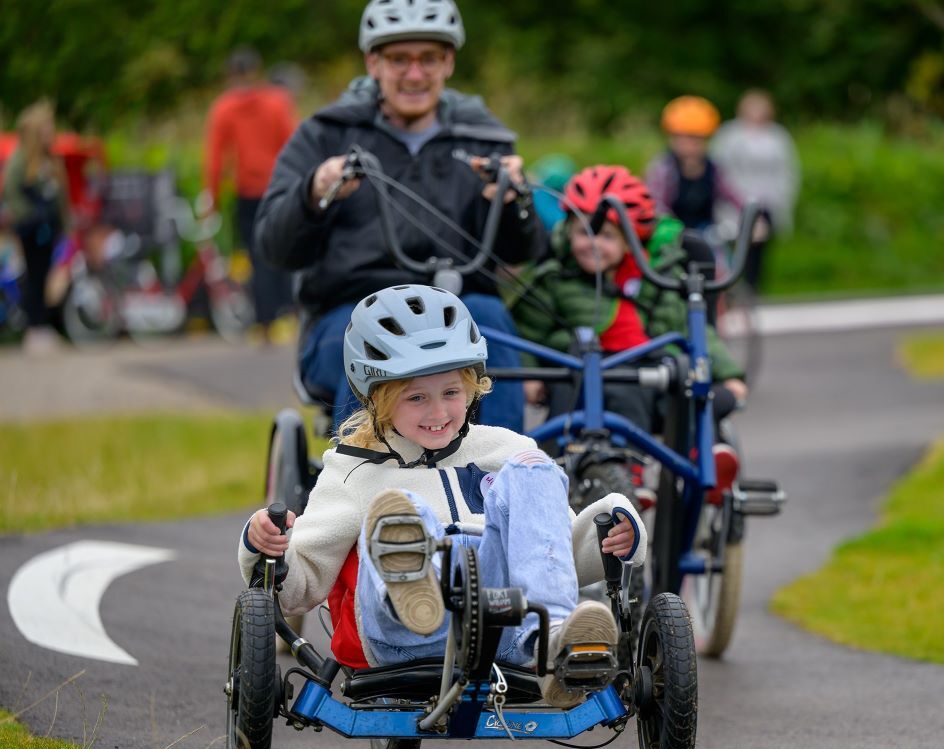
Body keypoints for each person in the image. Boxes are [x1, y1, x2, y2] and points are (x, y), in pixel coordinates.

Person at [237, 285, 645, 707]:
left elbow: (548, 554)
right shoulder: (356, 469)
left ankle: (554, 642)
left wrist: (609, 535)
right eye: (416, 398)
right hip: (402, 640)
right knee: (401, 512)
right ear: (378, 398)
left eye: (450, 393)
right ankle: (415, 590)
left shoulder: (502, 449)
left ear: (471, 387)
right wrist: (266, 547)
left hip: (509, 633)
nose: (438, 413)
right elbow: (298, 587)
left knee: (535, 467)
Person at [255, 0, 542, 433]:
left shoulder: (485, 137)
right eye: (398, 59)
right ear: (373, 62)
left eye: (428, 58)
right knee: (362, 339)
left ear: (448, 62)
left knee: (494, 327)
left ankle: (499, 480)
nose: (414, 74)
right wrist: (313, 191)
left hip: (460, 305)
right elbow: (273, 247)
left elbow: (523, 249)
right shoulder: (325, 134)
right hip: (349, 306)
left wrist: (512, 203)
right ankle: (362, 483)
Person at [509, 165, 747, 497]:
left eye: (606, 236)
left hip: (654, 375)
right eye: (582, 233)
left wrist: (729, 373)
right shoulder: (556, 279)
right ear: (566, 231)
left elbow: (695, 332)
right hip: (583, 379)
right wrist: (531, 375)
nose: (591, 245)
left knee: (695, 390)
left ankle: (701, 459)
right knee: (590, 365)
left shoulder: (658, 280)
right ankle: (562, 469)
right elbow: (528, 331)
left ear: (631, 240)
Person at [204, 46, 298, 343]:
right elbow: (294, 144)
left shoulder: (224, 108)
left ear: (232, 74)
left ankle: (265, 323)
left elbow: (216, 159)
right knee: (285, 249)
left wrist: (213, 199)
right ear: (256, 71)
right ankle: (290, 315)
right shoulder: (277, 102)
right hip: (280, 187)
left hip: (247, 193)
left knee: (258, 257)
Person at [710, 89, 801, 290]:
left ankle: (753, 287)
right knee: (733, 245)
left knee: (759, 248)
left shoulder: (777, 136)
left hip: (767, 201)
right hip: (735, 201)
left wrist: (784, 198)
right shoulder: (730, 134)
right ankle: (731, 287)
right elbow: (718, 167)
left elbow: (788, 169)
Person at [2, 100, 70, 355]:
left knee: (43, 276)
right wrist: (30, 216)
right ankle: (34, 328)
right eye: (46, 127)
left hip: (48, 228)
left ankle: (41, 326)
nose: (50, 132)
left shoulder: (50, 160)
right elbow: (11, 193)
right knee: (33, 276)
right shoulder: (20, 160)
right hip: (30, 229)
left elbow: (60, 197)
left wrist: (63, 223)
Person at [644, 95, 745, 236]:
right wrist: (670, 227)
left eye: (696, 139)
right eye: (681, 138)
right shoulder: (663, 169)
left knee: (723, 256)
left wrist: (753, 219)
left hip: (706, 234)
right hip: (671, 237)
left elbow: (733, 196)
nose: (689, 145)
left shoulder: (714, 168)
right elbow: (656, 204)